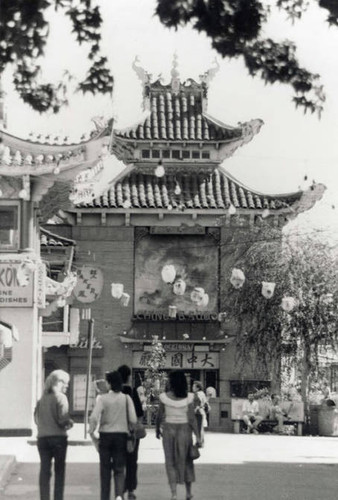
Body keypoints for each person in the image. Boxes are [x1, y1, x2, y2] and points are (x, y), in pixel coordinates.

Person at [89, 371, 137, 500]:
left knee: (105, 470)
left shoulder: (103, 399)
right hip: (121, 437)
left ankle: (105, 497)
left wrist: (91, 432)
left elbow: (93, 417)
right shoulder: (127, 399)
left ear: (109, 383)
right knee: (119, 470)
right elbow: (133, 419)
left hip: (105, 436)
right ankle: (119, 496)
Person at [156, 371, 201, 500]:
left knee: (170, 462)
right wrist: (197, 436)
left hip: (169, 431)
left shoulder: (164, 397)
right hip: (185, 431)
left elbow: (159, 415)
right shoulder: (189, 398)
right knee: (187, 461)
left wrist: (157, 429)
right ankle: (188, 492)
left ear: (171, 382)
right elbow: (192, 419)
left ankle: (174, 493)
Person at [34, 369, 74, 500]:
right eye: (66, 383)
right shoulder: (61, 397)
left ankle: (44, 498)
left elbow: (36, 419)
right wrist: (70, 423)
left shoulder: (42, 399)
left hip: (42, 439)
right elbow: (62, 420)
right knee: (59, 472)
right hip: (58, 439)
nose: (67, 386)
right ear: (59, 382)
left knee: (45, 471)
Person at [117, 365, 144, 500]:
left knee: (118, 461)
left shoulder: (115, 392)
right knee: (132, 461)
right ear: (128, 377)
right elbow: (139, 413)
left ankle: (119, 489)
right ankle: (131, 490)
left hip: (116, 431)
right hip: (131, 432)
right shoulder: (132, 392)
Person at [192, 381, 208, 445]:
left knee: (198, 427)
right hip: (201, 412)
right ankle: (200, 442)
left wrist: (196, 408)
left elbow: (198, 403)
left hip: (198, 412)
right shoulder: (202, 393)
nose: (192, 388)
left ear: (198, 388)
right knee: (200, 428)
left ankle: (199, 442)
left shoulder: (197, 394)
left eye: (194, 386)